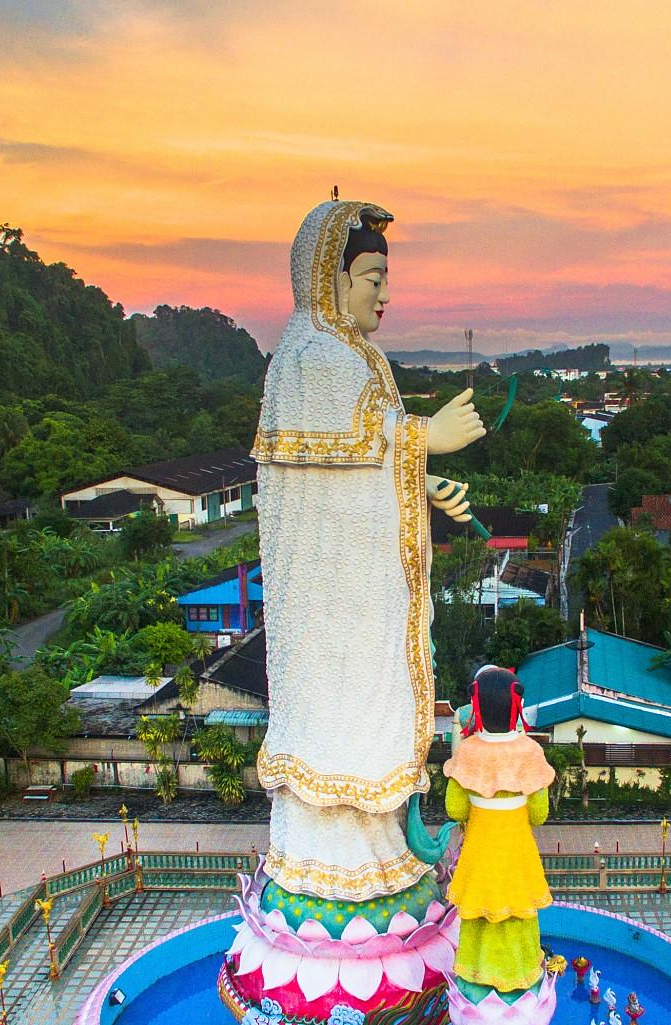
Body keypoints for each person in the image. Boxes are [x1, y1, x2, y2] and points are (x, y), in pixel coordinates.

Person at [252, 199, 485, 908]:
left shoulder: (349, 355)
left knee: (367, 709)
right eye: (371, 277)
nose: (384, 295)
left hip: (355, 595)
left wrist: (421, 477)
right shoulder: (315, 357)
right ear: (330, 279)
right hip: (332, 609)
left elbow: (361, 459)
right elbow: (365, 443)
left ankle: (382, 863)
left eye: (386, 278)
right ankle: (336, 875)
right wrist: (426, 438)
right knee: (342, 718)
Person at [444, 665, 557, 996]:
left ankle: (476, 973)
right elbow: (538, 815)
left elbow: (455, 810)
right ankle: (519, 972)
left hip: (480, 854)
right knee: (517, 912)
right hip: (516, 854)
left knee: (478, 913)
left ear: (476, 706)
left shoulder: (468, 752)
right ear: (516, 706)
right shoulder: (530, 752)